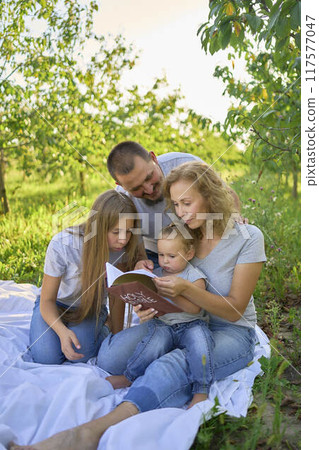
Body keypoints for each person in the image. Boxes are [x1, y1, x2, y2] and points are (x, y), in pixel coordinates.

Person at [11, 161, 266, 450]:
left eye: (187, 203)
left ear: (209, 196)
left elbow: (234, 308)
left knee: (176, 363)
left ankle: (93, 430)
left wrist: (184, 290)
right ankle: (128, 382)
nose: (180, 212)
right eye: (176, 205)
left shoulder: (247, 237)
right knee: (109, 359)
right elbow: (167, 272)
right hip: (178, 321)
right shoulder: (185, 233)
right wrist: (149, 286)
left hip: (227, 330)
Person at [29, 190, 145, 364]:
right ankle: (67, 331)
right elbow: (47, 301)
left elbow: (116, 298)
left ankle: (102, 327)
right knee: (46, 358)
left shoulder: (123, 249)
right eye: (116, 232)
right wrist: (62, 332)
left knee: (82, 353)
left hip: (90, 307)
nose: (123, 239)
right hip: (57, 305)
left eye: (128, 232)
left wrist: (115, 338)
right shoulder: (63, 245)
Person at [106, 224, 213, 408]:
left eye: (172, 256)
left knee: (201, 344)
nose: (164, 261)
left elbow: (195, 309)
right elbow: (149, 300)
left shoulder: (195, 276)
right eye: (161, 255)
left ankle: (201, 389)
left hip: (192, 324)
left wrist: (171, 294)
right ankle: (129, 376)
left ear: (188, 254)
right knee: (151, 344)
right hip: (164, 324)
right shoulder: (156, 275)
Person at [107, 140, 241, 268]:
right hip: (158, 253)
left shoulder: (184, 164)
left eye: (149, 177)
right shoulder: (121, 200)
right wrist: (142, 261)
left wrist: (235, 219)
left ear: (153, 158)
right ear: (122, 186)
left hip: (201, 244)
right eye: (136, 188)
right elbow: (134, 244)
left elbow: (224, 195)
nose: (149, 189)